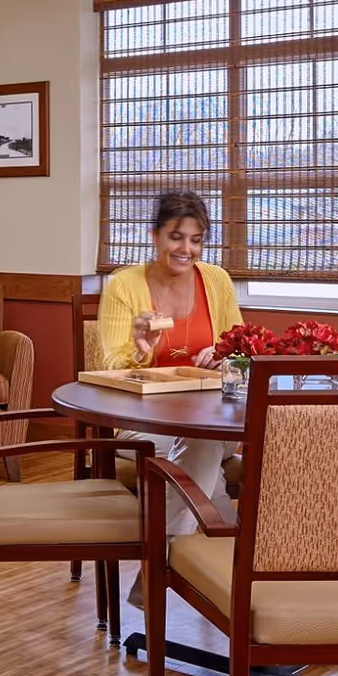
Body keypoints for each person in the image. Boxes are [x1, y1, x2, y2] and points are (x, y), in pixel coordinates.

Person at [96, 191, 244, 600]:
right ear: (155, 235)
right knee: (202, 452)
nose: (187, 249)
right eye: (176, 237)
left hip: (214, 420)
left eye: (196, 239)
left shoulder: (216, 280)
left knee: (203, 440)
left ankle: (157, 565)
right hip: (143, 425)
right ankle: (215, 571)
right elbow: (111, 368)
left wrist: (224, 355)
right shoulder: (125, 285)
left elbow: (242, 349)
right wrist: (141, 350)